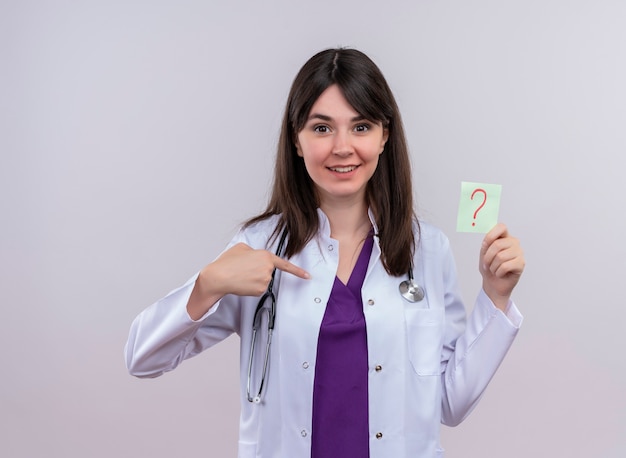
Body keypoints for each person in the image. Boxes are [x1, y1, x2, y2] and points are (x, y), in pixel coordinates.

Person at [125, 48, 525, 458]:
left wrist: (495, 297)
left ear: (384, 136)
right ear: (296, 139)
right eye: (321, 128)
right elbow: (142, 359)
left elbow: (449, 404)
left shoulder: (427, 250)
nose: (342, 147)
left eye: (361, 127)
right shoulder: (258, 246)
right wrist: (207, 285)